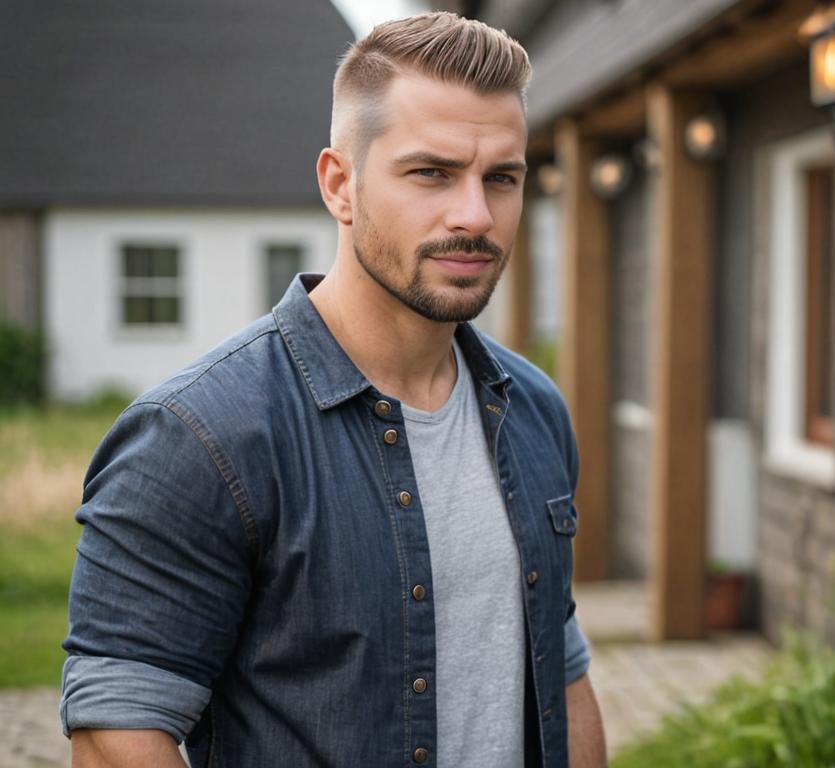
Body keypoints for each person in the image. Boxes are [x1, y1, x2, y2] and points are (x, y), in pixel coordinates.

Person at [60, 11, 607, 767]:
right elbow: (115, 732)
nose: (475, 216)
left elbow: (560, 663)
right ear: (339, 184)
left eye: (501, 178)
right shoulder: (201, 437)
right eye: (432, 173)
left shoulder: (534, 410)